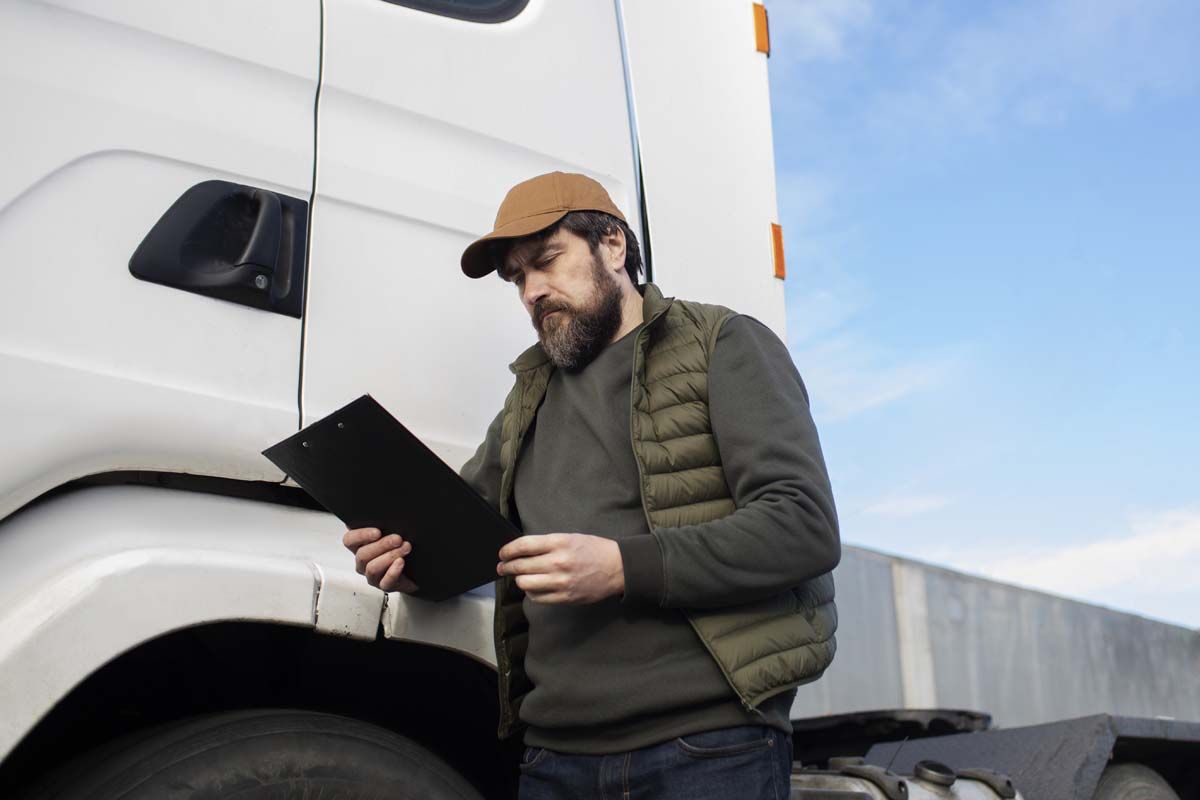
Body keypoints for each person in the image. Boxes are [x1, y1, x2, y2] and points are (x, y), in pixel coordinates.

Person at [342, 171, 840, 799]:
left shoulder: (723, 343)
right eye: (519, 277)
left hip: (709, 749)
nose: (532, 291)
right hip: (553, 758)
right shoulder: (529, 396)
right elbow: (466, 538)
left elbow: (802, 526)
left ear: (612, 246)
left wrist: (620, 567)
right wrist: (408, 563)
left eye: (547, 261)